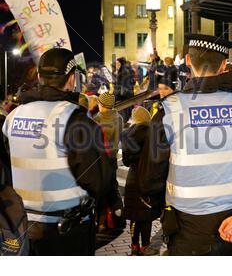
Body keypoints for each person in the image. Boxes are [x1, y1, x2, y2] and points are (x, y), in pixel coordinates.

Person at [139, 34, 232, 256]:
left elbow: (150, 177)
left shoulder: (169, 110)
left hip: (187, 228)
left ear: (188, 61)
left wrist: (161, 209)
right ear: (225, 65)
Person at [2, 48, 115, 255]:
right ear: (71, 79)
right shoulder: (75, 120)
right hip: (65, 233)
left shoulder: (13, 117)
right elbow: (99, 179)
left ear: (39, 77)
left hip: (21, 227)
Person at [121, 106, 162, 256]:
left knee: (134, 214)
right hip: (147, 176)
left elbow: (125, 161)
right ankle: (145, 245)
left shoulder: (127, 134)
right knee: (146, 214)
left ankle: (134, 245)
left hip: (132, 177)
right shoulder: (152, 133)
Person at [93, 92, 124, 232]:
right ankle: (115, 218)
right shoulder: (119, 118)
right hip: (112, 158)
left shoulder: (97, 119)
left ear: (102, 105)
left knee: (100, 191)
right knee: (112, 188)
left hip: (99, 160)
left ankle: (100, 221)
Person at [115, 57, 134, 123]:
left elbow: (123, 86)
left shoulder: (123, 72)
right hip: (126, 95)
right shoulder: (123, 70)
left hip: (124, 96)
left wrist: (116, 95)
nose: (116, 65)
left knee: (123, 112)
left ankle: (122, 123)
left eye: (117, 63)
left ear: (121, 64)